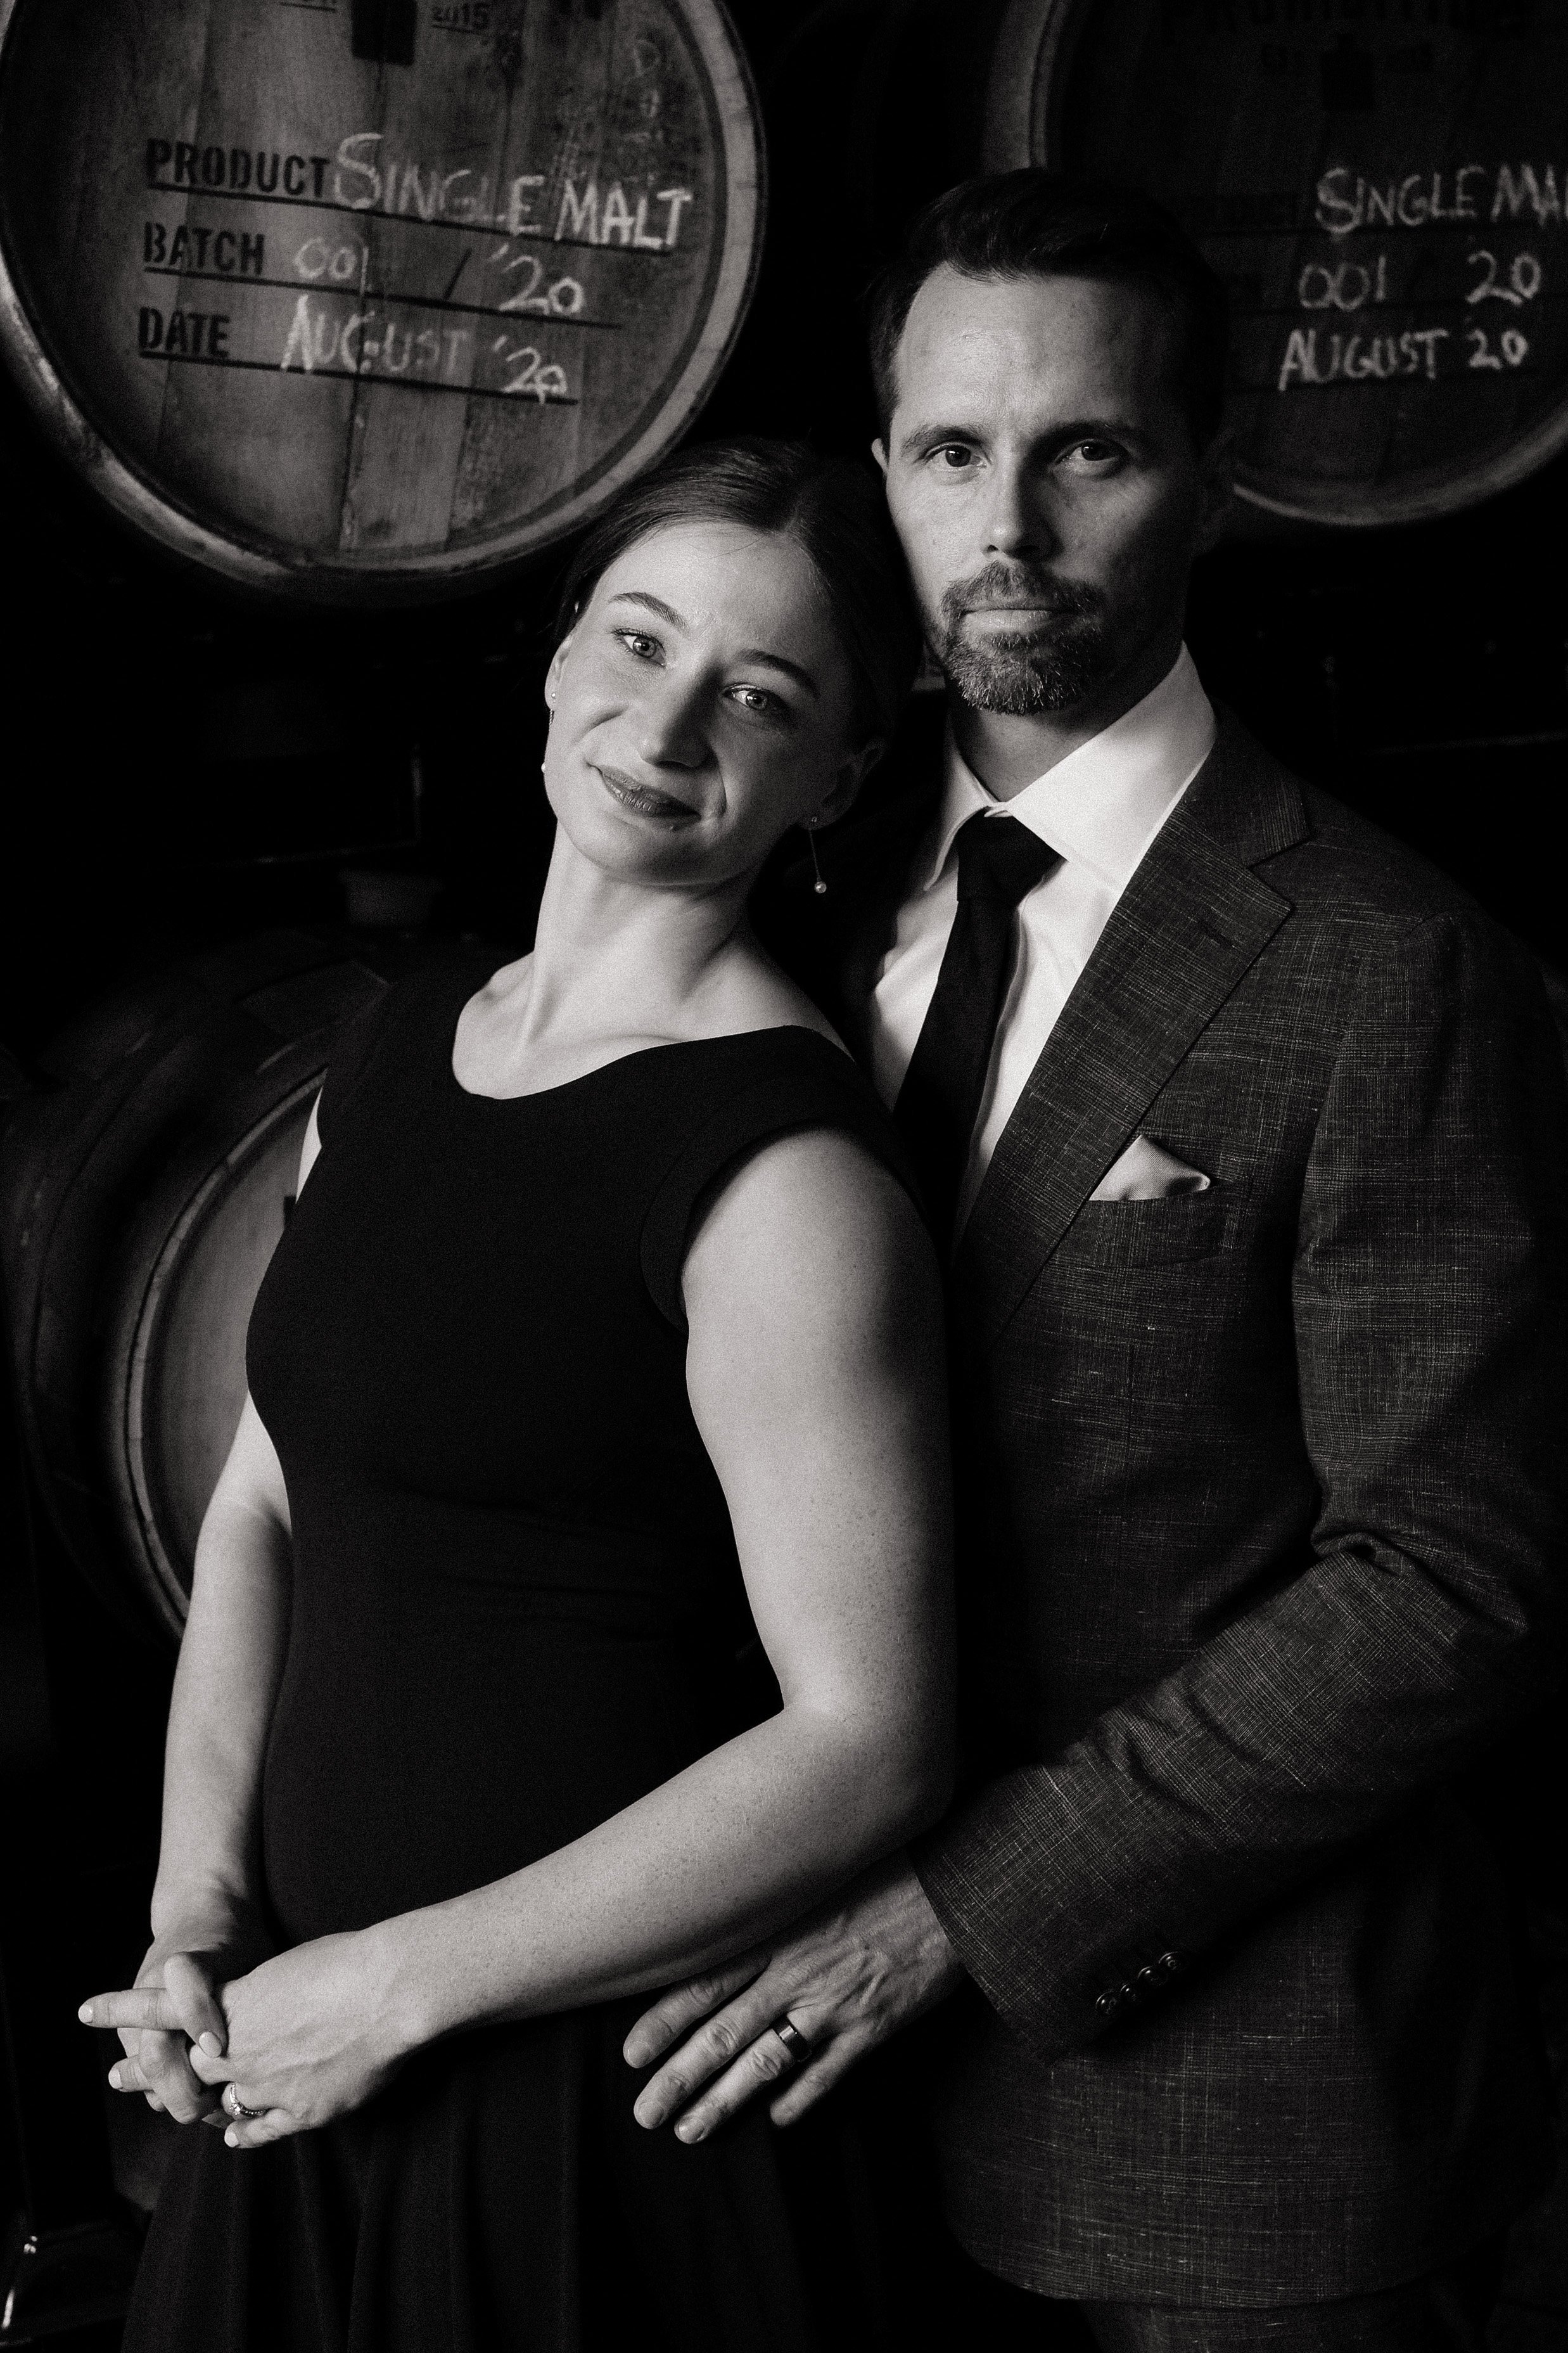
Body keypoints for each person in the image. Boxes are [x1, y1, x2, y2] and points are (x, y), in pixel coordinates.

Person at [623, 173, 1568, 2351]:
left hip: (1236, 2132)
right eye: (954, 452)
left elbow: (1452, 1575)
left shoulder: (1385, 960)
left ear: (1208, 490)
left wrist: (963, 1910)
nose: (1011, 529)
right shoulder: (798, 886)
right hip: (792, 2117)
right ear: (883, 473)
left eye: (1093, 453)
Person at [79, 440, 954, 2353]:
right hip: (308, 2059)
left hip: (591, 2121)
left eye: (763, 694)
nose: (667, 718)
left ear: (840, 777)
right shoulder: (404, 1038)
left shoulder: (778, 1172)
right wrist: (197, 1916)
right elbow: (259, 1502)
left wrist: (400, 1981)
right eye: (637, 639)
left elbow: (869, 1735)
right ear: (559, 654)